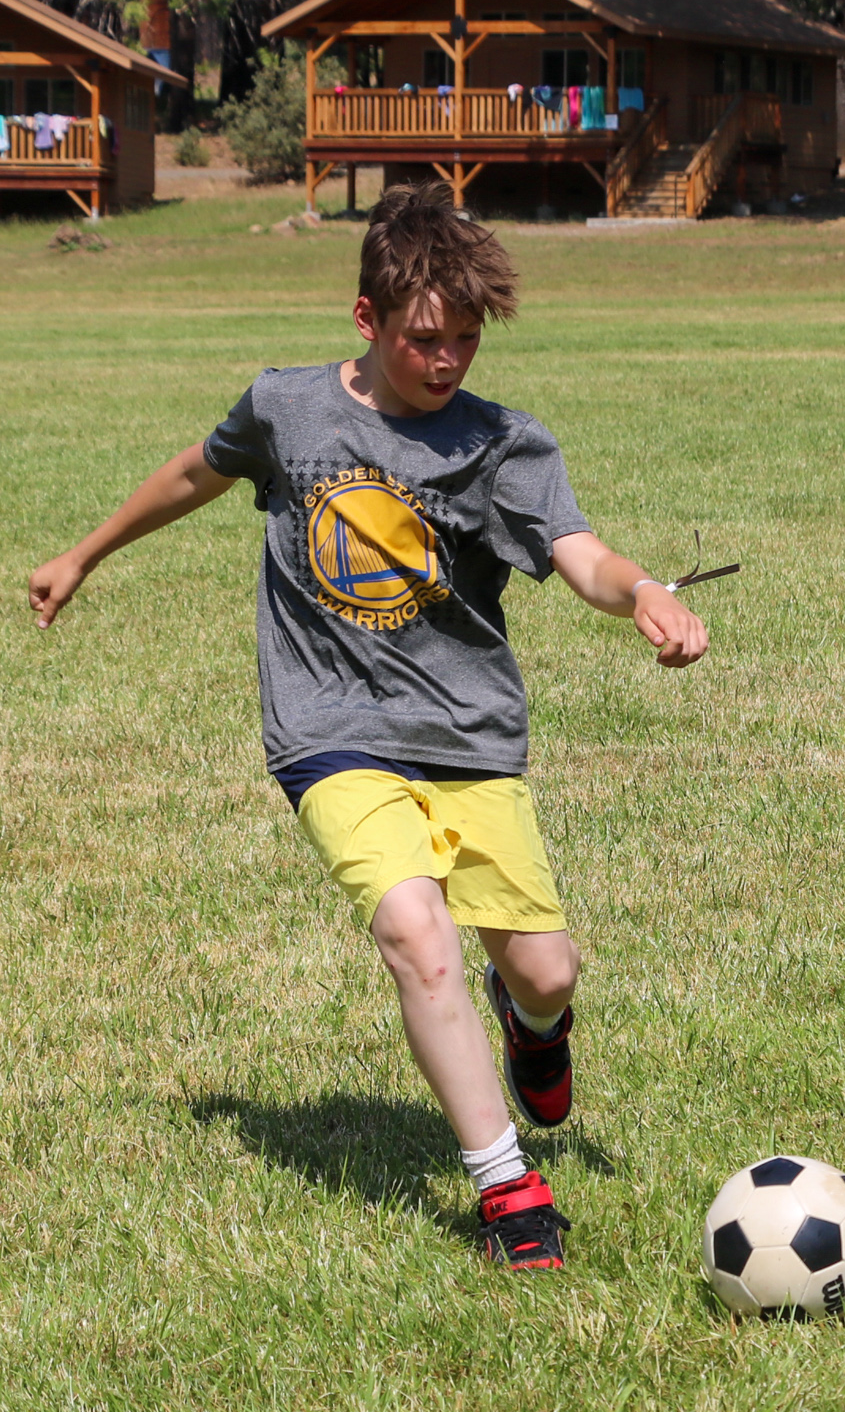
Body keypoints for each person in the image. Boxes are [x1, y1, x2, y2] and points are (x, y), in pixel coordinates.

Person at [27, 183, 708, 1270]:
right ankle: (507, 1187)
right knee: (415, 932)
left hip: (468, 735)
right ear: (366, 318)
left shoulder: (502, 443)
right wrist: (83, 553)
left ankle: (533, 1024)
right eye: (423, 339)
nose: (447, 361)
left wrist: (643, 594)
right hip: (329, 727)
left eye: (466, 339)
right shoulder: (287, 408)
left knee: (546, 969)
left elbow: (579, 553)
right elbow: (197, 470)